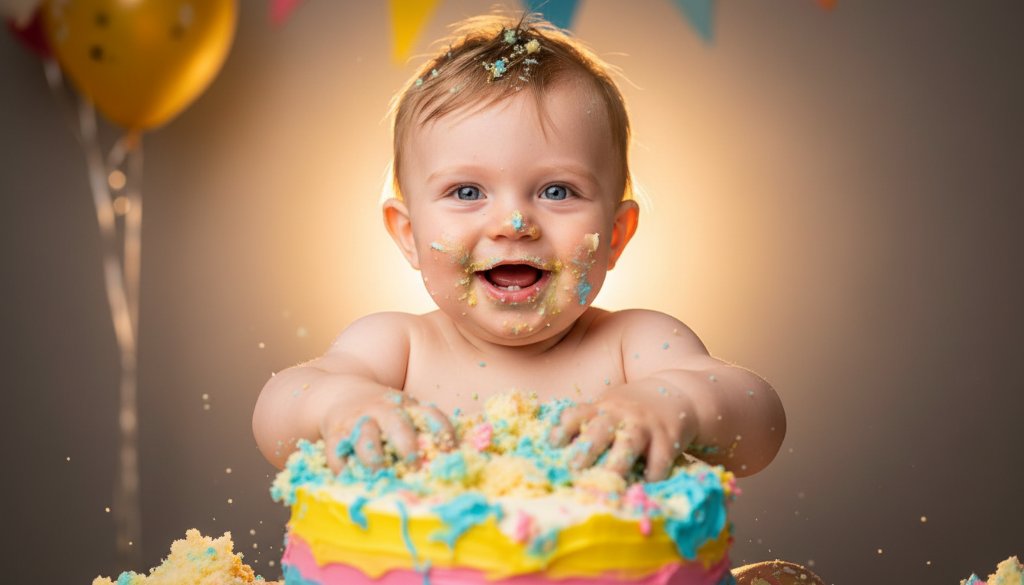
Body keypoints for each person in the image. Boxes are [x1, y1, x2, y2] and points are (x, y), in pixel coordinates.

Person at [253, 12, 784, 491]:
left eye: (557, 191)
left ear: (617, 235)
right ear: (408, 234)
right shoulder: (398, 347)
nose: (514, 224)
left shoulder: (635, 347)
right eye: (467, 192)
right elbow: (279, 409)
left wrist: (672, 403)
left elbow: (762, 424)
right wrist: (340, 406)